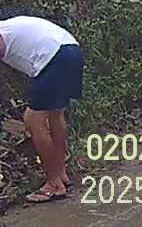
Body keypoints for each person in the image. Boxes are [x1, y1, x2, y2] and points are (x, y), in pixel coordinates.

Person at [0, 15, 83, 203]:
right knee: (55, 114)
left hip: (53, 57)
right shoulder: (9, 26)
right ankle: (60, 174)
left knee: (33, 120)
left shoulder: (5, 30)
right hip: (70, 50)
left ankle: (54, 184)